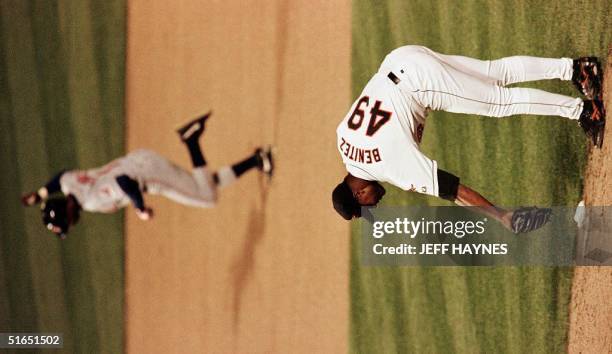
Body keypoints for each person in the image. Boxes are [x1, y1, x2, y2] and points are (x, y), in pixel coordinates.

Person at [333, 45, 606, 233]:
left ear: (359, 193)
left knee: (500, 103)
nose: (374, 206)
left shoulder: (387, 165)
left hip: (421, 82)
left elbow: (453, 190)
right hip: (400, 59)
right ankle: (577, 69)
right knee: (494, 72)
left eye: (366, 207)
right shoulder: (342, 138)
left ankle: (585, 111)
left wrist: (503, 217)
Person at [21, 112, 274, 239]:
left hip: (147, 175)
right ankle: (255, 161)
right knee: (202, 183)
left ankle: (192, 140)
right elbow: (60, 177)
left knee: (207, 197)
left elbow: (124, 183)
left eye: (67, 222)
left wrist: (140, 208)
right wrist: (41, 193)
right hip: (139, 160)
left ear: (67, 211)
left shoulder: (92, 201)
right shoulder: (69, 185)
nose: (71, 224)